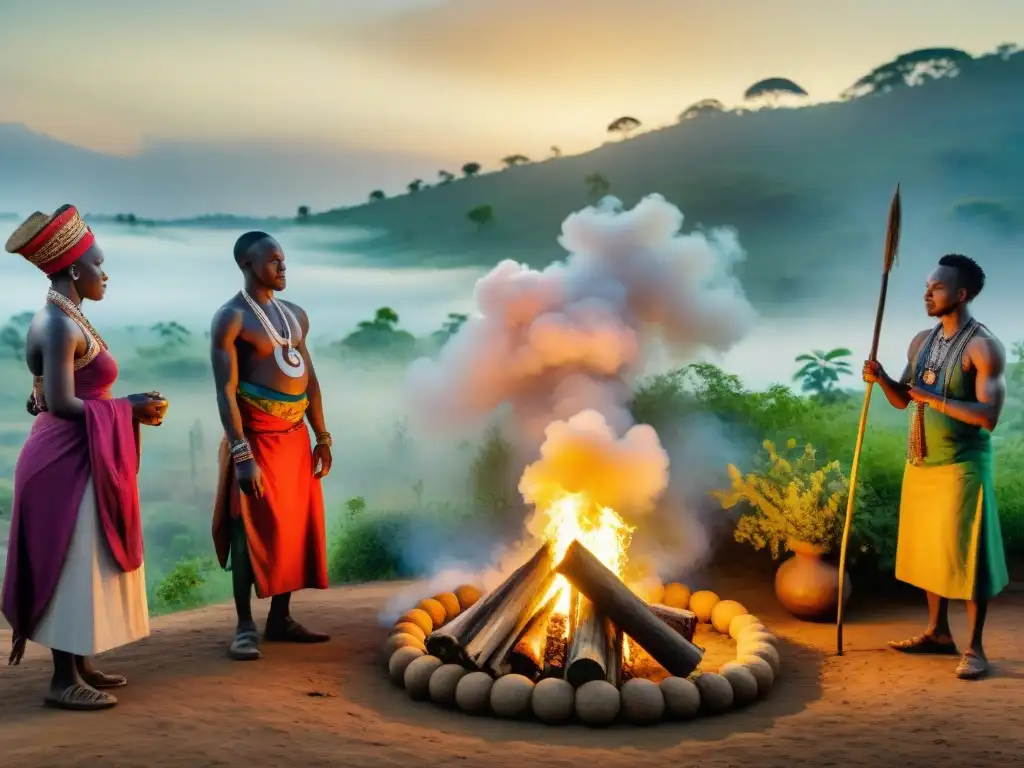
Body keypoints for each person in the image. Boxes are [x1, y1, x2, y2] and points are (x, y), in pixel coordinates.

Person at [2, 205, 169, 710]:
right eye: (99, 265)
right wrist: (128, 409)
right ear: (75, 270)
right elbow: (59, 402)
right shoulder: (57, 324)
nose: (105, 274)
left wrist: (124, 408)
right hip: (62, 464)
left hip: (79, 454)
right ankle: (60, 679)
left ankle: (79, 663)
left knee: (84, 559)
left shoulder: (70, 318)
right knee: (69, 561)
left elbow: (51, 394)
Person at [863, 253, 1008, 680]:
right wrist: (883, 377)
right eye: (927, 286)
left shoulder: (984, 346)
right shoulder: (921, 341)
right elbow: (904, 399)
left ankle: (976, 648)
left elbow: (988, 417)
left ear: (961, 294)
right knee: (930, 550)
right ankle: (937, 632)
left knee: (968, 556)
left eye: (937, 287)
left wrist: (935, 399)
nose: (927, 293)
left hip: (963, 465)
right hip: (922, 462)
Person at [210, 231, 332, 661]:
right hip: (256, 440)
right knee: (250, 529)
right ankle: (244, 625)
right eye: (273, 261)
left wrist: (322, 436)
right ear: (246, 263)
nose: (282, 268)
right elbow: (225, 392)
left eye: (284, 261)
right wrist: (242, 455)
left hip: (296, 440)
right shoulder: (231, 318)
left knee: (294, 528)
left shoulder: (295, 316)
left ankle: (280, 617)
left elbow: (310, 381)